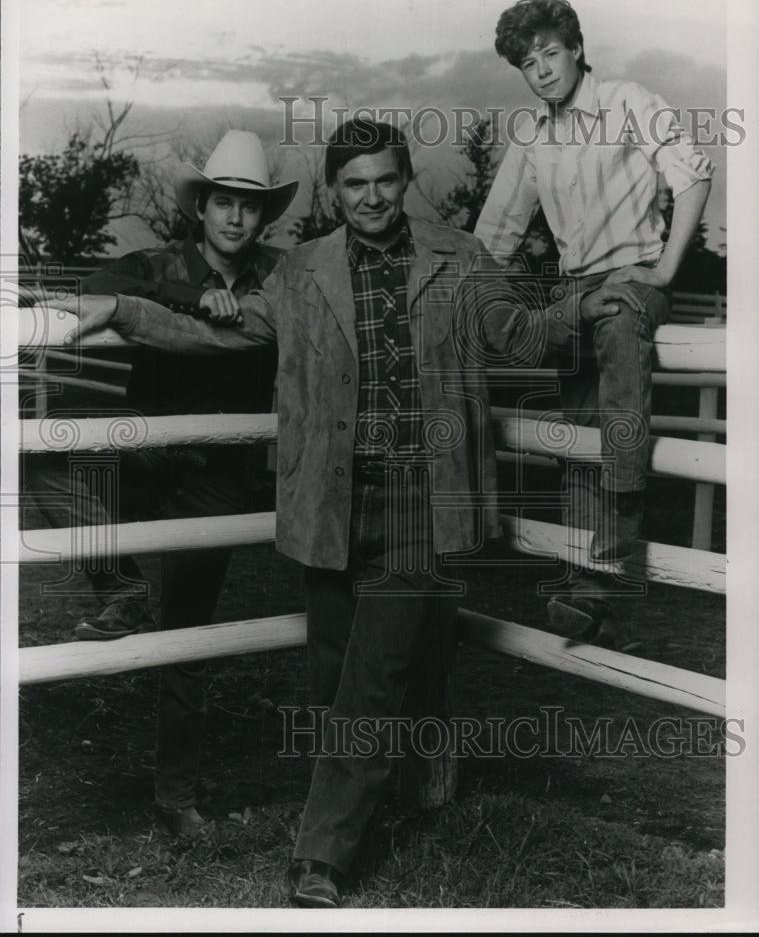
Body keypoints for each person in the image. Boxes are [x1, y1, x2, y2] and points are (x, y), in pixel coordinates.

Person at [45, 118, 646, 905]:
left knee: (371, 674)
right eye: (354, 184)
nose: (370, 197)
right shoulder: (301, 273)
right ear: (335, 192)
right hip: (329, 497)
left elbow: (520, 336)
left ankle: (320, 853)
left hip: (422, 501)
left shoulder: (458, 258)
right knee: (333, 677)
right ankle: (405, 802)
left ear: (405, 182)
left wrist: (587, 304)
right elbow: (215, 337)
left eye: (384, 181)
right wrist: (123, 310)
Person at [25, 129, 298, 837]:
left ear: (263, 216)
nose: (235, 219)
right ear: (201, 207)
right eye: (223, 204)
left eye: (249, 206)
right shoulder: (159, 262)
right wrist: (189, 296)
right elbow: (98, 290)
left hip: (221, 481)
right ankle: (118, 586)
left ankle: (175, 795)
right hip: (147, 456)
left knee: (189, 638)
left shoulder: (281, 277)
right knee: (47, 454)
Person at [474, 0, 714, 646]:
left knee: (618, 344)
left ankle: (613, 544)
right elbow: (494, 234)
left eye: (550, 52)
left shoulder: (629, 101)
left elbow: (692, 176)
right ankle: (586, 582)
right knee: (574, 424)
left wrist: (663, 273)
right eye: (528, 62)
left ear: (576, 48)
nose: (542, 70)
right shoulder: (532, 136)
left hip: (632, 276)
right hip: (572, 290)